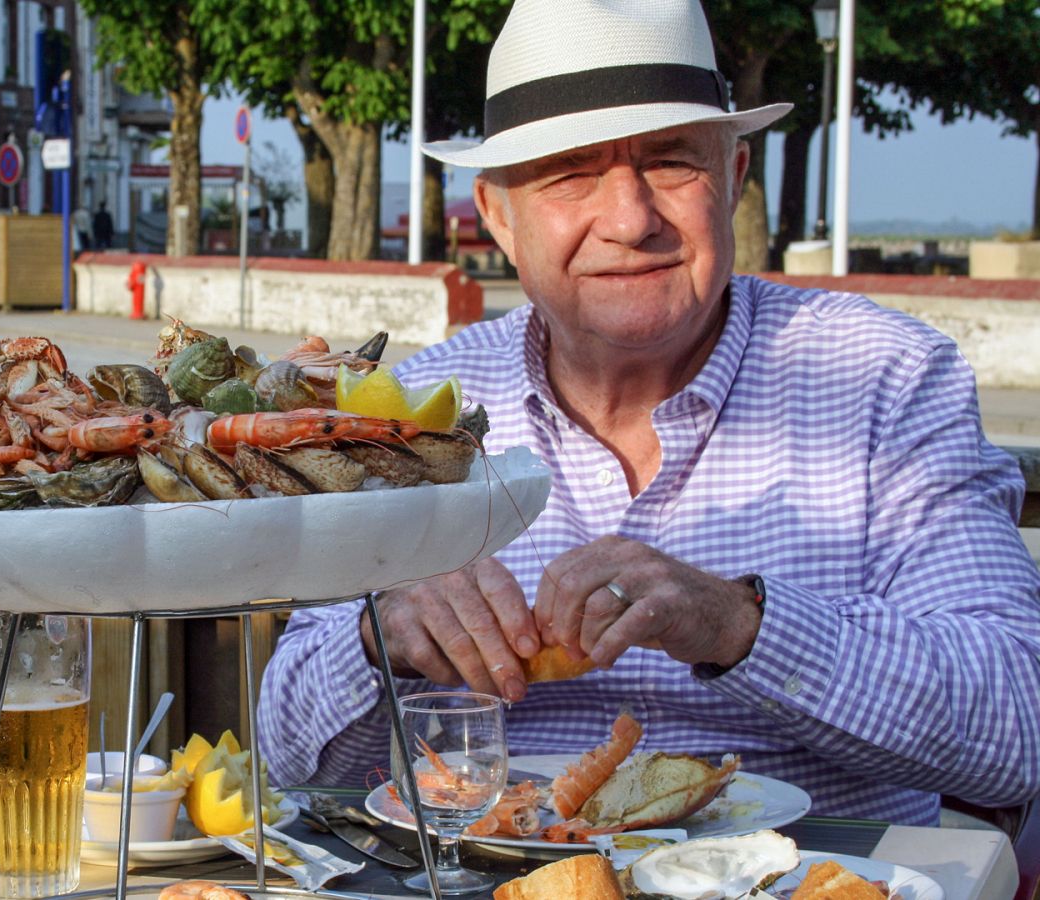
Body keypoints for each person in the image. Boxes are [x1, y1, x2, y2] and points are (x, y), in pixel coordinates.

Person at [257, 0, 1040, 827]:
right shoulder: (408, 412)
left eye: (671, 163)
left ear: (733, 179)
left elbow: (1020, 727)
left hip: (810, 875)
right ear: (497, 216)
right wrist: (383, 644)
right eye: (571, 173)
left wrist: (737, 622)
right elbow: (288, 756)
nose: (631, 220)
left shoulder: (885, 378)